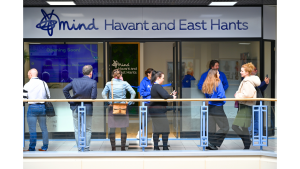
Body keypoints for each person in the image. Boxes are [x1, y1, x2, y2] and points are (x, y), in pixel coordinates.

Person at [63, 65, 97, 152]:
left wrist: (70, 100)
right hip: (88, 107)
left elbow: (65, 90)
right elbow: (93, 97)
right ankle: (86, 147)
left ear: (83, 72)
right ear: (91, 73)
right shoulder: (93, 82)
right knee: (88, 128)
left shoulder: (75, 81)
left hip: (75, 107)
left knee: (77, 128)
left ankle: (79, 147)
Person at [102, 69, 136, 151]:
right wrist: (129, 102)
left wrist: (109, 102)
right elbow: (133, 93)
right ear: (121, 75)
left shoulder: (109, 84)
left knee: (112, 128)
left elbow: (103, 94)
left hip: (112, 107)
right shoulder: (125, 83)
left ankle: (113, 147)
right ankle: (123, 147)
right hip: (123, 108)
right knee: (123, 128)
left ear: (113, 75)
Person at [232, 62, 261, 149]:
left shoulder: (247, 82)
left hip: (245, 106)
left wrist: (238, 95)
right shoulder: (247, 81)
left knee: (235, 126)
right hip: (245, 106)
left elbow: (248, 94)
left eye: (242, 71)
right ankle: (247, 143)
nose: (240, 72)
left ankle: (247, 141)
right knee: (244, 127)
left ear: (247, 72)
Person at [201, 69, 229, 150]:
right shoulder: (218, 82)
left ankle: (210, 144)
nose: (219, 74)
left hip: (210, 107)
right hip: (218, 107)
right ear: (215, 75)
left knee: (211, 128)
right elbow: (221, 95)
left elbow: (207, 96)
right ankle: (211, 142)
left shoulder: (206, 84)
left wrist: (211, 99)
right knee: (225, 127)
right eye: (218, 73)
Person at [23, 68, 50, 151]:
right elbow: (48, 96)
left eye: (28, 74)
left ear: (31, 74)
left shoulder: (27, 85)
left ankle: (32, 147)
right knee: (44, 128)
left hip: (32, 107)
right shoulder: (43, 83)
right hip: (42, 107)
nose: (27, 75)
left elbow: (24, 98)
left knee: (32, 129)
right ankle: (45, 147)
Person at [149, 70, 177, 150]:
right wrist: (172, 97)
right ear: (158, 78)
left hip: (154, 110)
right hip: (158, 111)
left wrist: (170, 95)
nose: (163, 80)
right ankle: (164, 146)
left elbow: (161, 96)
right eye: (163, 78)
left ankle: (156, 146)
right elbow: (164, 95)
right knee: (165, 128)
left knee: (157, 128)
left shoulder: (154, 86)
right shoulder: (157, 86)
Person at [247, 66, 269, 137]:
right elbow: (255, 86)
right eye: (255, 69)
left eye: (256, 69)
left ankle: (255, 133)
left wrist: (266, 84)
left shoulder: (256, 78)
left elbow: (260, 89)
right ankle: (249, 133)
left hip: (258, 101)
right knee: (250, 119)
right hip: (251, 101)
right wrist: (263, 82)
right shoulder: (247, 78)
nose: (256, 71)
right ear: (250, 71)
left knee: (257, 119)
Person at [137, 68, 153, 139]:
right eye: (152, 73)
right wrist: (151, 92)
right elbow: (142, 93)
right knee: (146, 119)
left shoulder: (154, 81)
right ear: (148, 74)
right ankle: (140, 132)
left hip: (154, 103)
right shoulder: (143, 82)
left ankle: (154, 135)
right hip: (147, 103)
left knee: (154, 119)